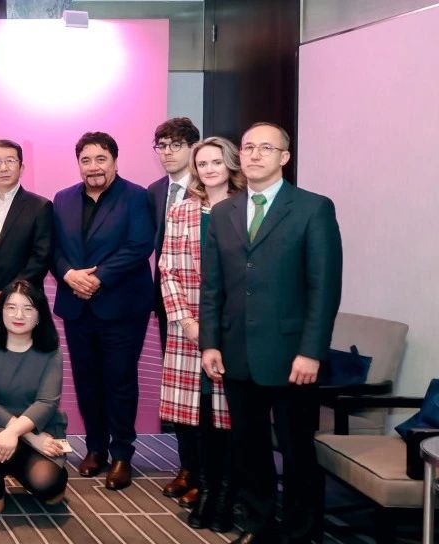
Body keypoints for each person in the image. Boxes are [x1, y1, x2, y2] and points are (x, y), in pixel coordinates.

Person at [200, 123, 342, 544]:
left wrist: (311, 351)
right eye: (248, 147)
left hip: (292, 355)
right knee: (250, 446)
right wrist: (210, 343)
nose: (255, 154)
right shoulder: (223, 212)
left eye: (266, 147)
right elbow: (213, 286)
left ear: (284, 157)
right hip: (236, 350)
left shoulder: (313, 208)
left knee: (297, 450)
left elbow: (324, 287)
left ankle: (301, 532)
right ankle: (258, 524)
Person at [51, 131, 155, 491]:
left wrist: (98, 278)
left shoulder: (136, 196)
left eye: (101, 159)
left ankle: (122, 453)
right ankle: (95, 448)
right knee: (87, 380)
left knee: (120, 381)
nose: (93, 167)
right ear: (78, 163)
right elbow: (54, 248)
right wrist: (68, 274)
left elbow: (139, 245)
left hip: (122, 306)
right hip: (77, 306)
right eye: (86, 160)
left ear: (114, 160)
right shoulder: (63, 198)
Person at [158, 136, 243, 531]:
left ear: (231, 165)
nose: (208, 169)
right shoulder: (182, 210)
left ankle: (226, 496)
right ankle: (206, 490)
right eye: (202, 163)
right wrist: (187, 322)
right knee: (201, 415)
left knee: (230, 417)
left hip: (234, 330)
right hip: (189, 329)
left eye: (215, 162)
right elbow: (167, 270)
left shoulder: (246, 208)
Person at [0, 280, 69, 512]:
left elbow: (47, 402)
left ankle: (37, 473)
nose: (19, 315)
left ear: (39, 315)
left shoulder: (51, 350)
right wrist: (28, 437)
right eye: (11, 307)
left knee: (45, 483)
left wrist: (20, 433)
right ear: (1, 311)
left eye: (28, 308)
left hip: (41, 425)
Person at [0, 139, 53, 334]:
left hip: (24, 305)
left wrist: (9, 293)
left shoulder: (40, 206)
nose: (3, 168)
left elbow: (41, 258)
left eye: (10, 161)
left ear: (21, 167)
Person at [147, 118, 201, 350]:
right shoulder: (154, 190)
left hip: (200, 294)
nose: (167, 152)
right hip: (165, 295)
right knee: (170, 363)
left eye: (176, 145)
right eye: (162, 145)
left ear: (193, 147)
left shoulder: (207, 186)